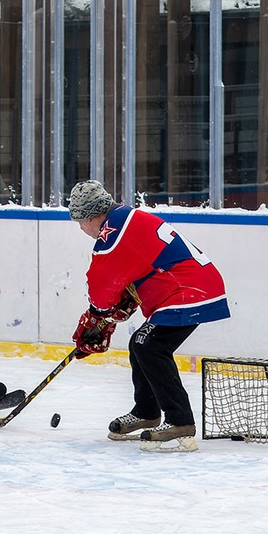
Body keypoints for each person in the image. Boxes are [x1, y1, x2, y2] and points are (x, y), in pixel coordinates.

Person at [68, 180, 230, 452]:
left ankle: (180, 421)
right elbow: (135, 269)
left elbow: (102, 282)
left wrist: (97, 316)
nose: (81, 228)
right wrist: (108, 311)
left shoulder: (111, 231)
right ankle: (146, 411)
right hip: (190, 286)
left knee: (149, 344)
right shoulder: (124, 218)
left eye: (79, 221)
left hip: (188, 290)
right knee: (141, 344)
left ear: (90, 216)